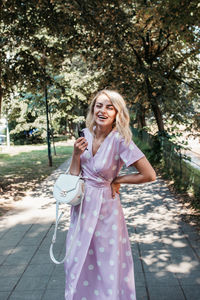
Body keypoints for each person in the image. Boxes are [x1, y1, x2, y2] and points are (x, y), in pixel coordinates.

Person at [64, 89, 156, 300]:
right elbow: (73, 176)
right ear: (92, 109)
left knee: (106, 265)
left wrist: (118, 179)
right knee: (77, 260)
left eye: (109, 107)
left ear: (117, 113)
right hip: (81, 209)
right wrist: (76, 155)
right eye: (99, 105)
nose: (103, 110)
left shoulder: (120, 140)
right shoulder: (84, 135)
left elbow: (149, 174)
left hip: (107, 210)